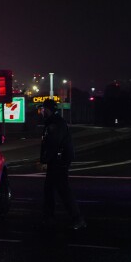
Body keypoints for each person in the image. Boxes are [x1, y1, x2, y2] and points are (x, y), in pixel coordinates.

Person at [37, 98, 87, 231]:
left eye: (43, 109)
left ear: (47, 109)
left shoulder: (55, 124)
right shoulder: (54, 122)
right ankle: (49, 218)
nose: (42, 111)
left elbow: (53, 144)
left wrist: (44, 160)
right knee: (49, 190)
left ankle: (77, 219)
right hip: (58, 160)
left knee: (63, 190)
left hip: (59, 162)